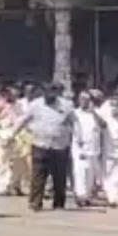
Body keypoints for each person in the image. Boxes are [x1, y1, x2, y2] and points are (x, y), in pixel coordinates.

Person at [15, 82, 73, 211]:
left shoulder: (66, 105)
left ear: (57, 93)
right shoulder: (35, 105)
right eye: (47, 92)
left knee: (59, 176)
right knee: (38, 174)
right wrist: (14, 133)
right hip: (40, 144)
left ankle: (58, 203)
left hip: (60, 145)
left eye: (52, 93)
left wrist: (76, 139)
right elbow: (23, 120)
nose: (49, 95)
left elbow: (74, 122)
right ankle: (35, 202)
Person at [69, 91, 102, 207]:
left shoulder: (95, 113)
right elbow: (71, 128)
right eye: (82, 99)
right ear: (78, 100)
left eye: (87, 99)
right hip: (79, 149)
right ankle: (80, 195)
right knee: (80, 171)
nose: (84, 101)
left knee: (90, 174)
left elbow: (103, 125)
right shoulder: (74, 113)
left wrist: (93, 112)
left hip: (93, 148)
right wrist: (79, 143)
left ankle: (87, 196)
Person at [0, 86, 21, 195]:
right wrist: (3, 127)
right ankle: (2, 185)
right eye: (10, 94)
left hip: (15, 134)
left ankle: (13, 184)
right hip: (2, 133)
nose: (12, 96)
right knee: (1, 159)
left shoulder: (17, 105)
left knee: (15, 160)